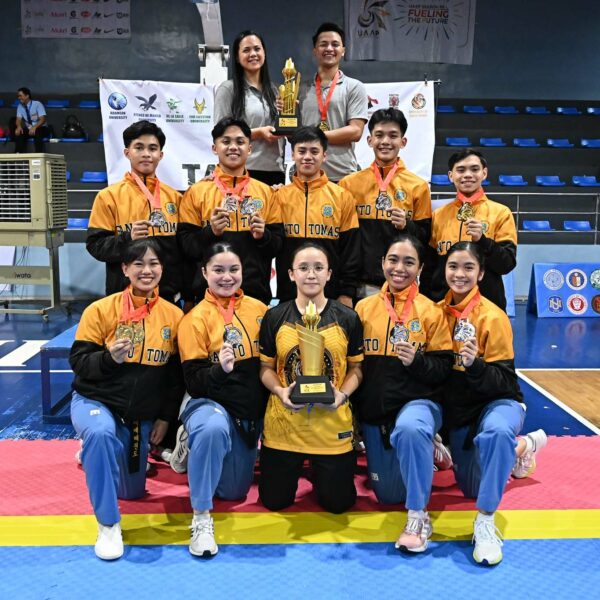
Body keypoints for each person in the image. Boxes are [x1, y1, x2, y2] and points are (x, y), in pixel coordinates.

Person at [69, 239, 184, 560]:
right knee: (100, 433)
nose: (147, 271)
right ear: (124, 269)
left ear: (162, 268)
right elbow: (79, 363)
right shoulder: (100, 310)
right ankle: (108, 525)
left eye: (153, 264)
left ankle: (95, 451)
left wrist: (165, 417)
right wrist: (109, 359)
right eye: (138, 264)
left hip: (137, 415)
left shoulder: (174, 316)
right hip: (96, 401)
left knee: (132, 491)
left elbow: (174, 379)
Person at [440, 241, 547, 565]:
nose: (459, 274)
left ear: (481, 273)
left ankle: (485, 522)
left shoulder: (493, 316)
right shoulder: (434, 313)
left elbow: (504, 382)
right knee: (473, 486)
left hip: (497, 402)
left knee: (497, 433)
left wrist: (475, 365)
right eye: (453, 266)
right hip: (461, 410)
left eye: (468, 267)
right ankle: (524, 446)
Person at [354, 233, 453, 553]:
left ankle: (418, 516)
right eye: (393, 260)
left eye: (409, 262)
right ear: (382, 262)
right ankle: (428, 448)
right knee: (388, 496)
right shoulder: (363, 309)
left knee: (410, 428)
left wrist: (417, 361)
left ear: (420, 268)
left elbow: (443, 370)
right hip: (377, 412)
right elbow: (354, 366)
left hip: (417, 404)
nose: (399, 268)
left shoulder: (431, 312)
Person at [173, 242, 268, 557]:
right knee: (212, 428)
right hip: (209, 403)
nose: (227, 277)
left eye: (233, 269)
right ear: (204, 273)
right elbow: (195, 382)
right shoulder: (194, 319)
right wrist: (220, 370)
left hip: (246, 409)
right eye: (218, 270)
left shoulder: (261, 311)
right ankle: (201, 518)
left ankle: (198, 446)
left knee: (232, 491)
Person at [258, 242, 363, 513]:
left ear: (329, 274)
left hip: (330, 427)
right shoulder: (274, 317)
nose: (311, 274)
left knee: (338, 504)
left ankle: (323, 474)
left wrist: (342, 395)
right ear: (291, 274)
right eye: (303, 268)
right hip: (284, 427)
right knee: (274, 502)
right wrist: (281, 391)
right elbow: (266, 368)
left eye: (318, 267)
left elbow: (356, 369)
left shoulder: (348, 318)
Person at [178, 117, 283, 305]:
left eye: (240, 142)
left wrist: (263, 236)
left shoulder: (266, 193)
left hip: (254, 297)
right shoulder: (196, 192)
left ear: (249, 149)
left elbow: (277, 246)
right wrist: (211, 232)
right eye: (226, 141)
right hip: (207, 298)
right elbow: (186, 248)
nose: (233, 147)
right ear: (214, 148)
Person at [86, 120, 186, 305]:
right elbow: (95, 246)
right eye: (139, 147)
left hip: (167, 299)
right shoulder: (108, 197)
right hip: (123, 298)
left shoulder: (176, 198)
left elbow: (184, 250)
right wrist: (127, 238)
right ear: (127, 153)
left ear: (160, 155)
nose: (146, 154)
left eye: (152, 148)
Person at [339, 108, 432, 299]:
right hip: (359, 286)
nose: (386, 141)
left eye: (393, 136)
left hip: (401, 286)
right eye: (379, 135)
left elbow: (425, 239)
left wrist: (407, 225)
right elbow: (343, 242)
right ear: (369, 140)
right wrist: (345, 289)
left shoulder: (418, 186)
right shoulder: (349, 184)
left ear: (403, 142)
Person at [274, 126, 360, 306]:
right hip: (289, 295)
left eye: (314, 151)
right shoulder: (278, 196)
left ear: (324, 155)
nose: (307, 157)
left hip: (332, 297)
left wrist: (346, 293)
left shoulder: (342, 197)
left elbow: (350, 250)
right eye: (301, 151)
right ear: (293, 155)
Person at [427, 149, 517, 311]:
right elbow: (430, 267)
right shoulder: (438, 216)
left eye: (474, 169)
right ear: (451, 175)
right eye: (461, 170)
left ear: (484, 173)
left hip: (487, 308)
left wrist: (483, 241)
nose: (468, 175)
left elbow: (506, 265)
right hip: (443, 308)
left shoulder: (501, 213)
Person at [297, 22, 368, 182]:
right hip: (306, 174)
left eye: (335, 44)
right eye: (323, 44)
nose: (329, 48)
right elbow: (293, 135)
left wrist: (314, 137)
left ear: (343, 51)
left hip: (342, 174)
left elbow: (356, 131)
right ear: (315, 51)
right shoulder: (300, 89)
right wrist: (284, 114)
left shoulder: (354, 87)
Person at [214, 30, 284, 185]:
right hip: (242, 171)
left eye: (257, 49)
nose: (253, 54)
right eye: (246, 50)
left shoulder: (276, 91)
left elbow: (286, 131)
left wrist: (290, 113)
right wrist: (259, 133)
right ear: (237, 57)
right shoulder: (228, 89)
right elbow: (220, 134)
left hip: (275, 171)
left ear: (264, 53)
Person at [14, 87, 49, 153]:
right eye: (18, 96)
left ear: (27, 96)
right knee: (20, 133)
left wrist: (34, 127)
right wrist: (18, 126)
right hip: (30, 128)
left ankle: (38, 154)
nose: (19, 98)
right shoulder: (19, 106)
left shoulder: (37, 104)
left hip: (41, 127)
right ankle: (18, 154)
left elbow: (42, 120)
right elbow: (18, 119)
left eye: (20, 96)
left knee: (37, 132)